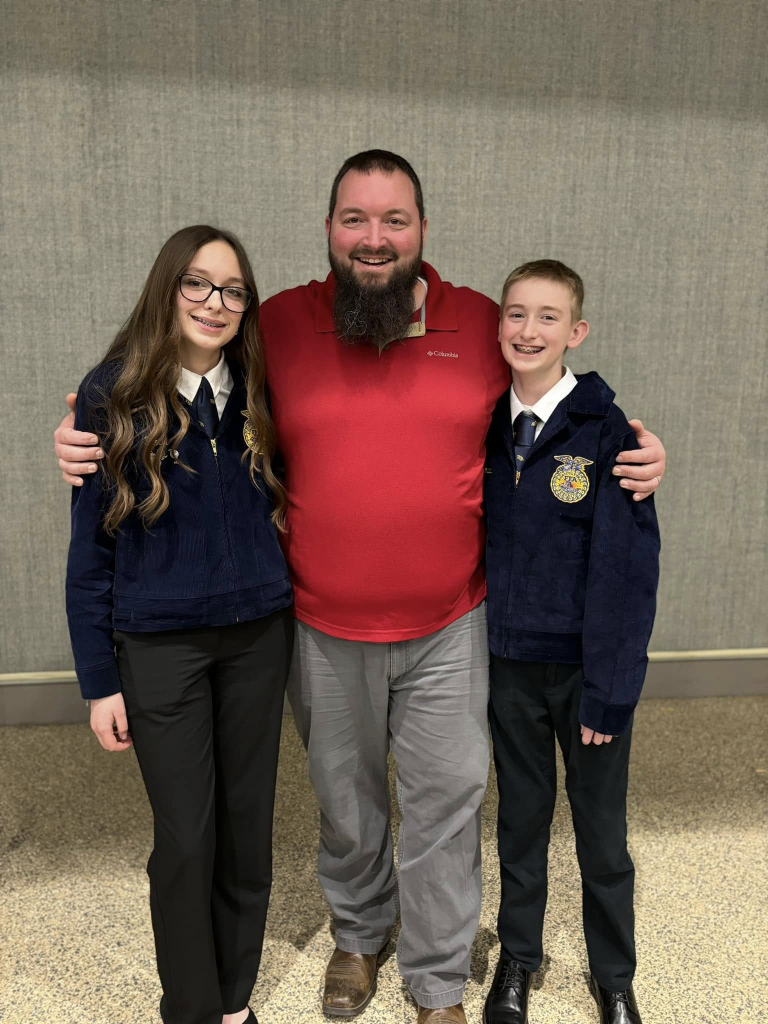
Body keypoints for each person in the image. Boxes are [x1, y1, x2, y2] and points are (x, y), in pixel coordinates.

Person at [55, 153, 667, 1024]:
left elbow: (556, 400)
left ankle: (438, 980)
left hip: (451, 621)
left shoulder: (481, 323)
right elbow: (177, 370)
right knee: (346, 804)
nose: (373, 239)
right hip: (319, 621)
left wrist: (634, 453)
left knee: (447, 804)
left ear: (422, 230)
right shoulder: (276, 324)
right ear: (329, 229)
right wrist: (85, 425)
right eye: (355, 219)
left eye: (393, 220)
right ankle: (360, 931)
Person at [65, 225, 294, 1024]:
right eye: (197, 283)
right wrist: (99, 681)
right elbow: (89, 554)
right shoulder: (112, 394)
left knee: (246, 830)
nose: (214, 302)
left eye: (232, 290)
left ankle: (234, 1001)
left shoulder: (263, 390)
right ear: (168, 287)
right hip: (160, 645)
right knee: (188, 838)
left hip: (259, 635)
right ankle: (192, 1008)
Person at [482, 260, 659, 1024]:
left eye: (548, 317)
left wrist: (611, 691)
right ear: (498, 325)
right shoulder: (481, 425)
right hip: (508, 668)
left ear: (576, 332)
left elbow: (627, 574)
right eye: (516, 314)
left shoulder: (609, 433)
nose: (529, 330)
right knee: (519, 824)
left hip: (586, 676)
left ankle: (614, 975)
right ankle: (518, 961)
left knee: (602, 834)